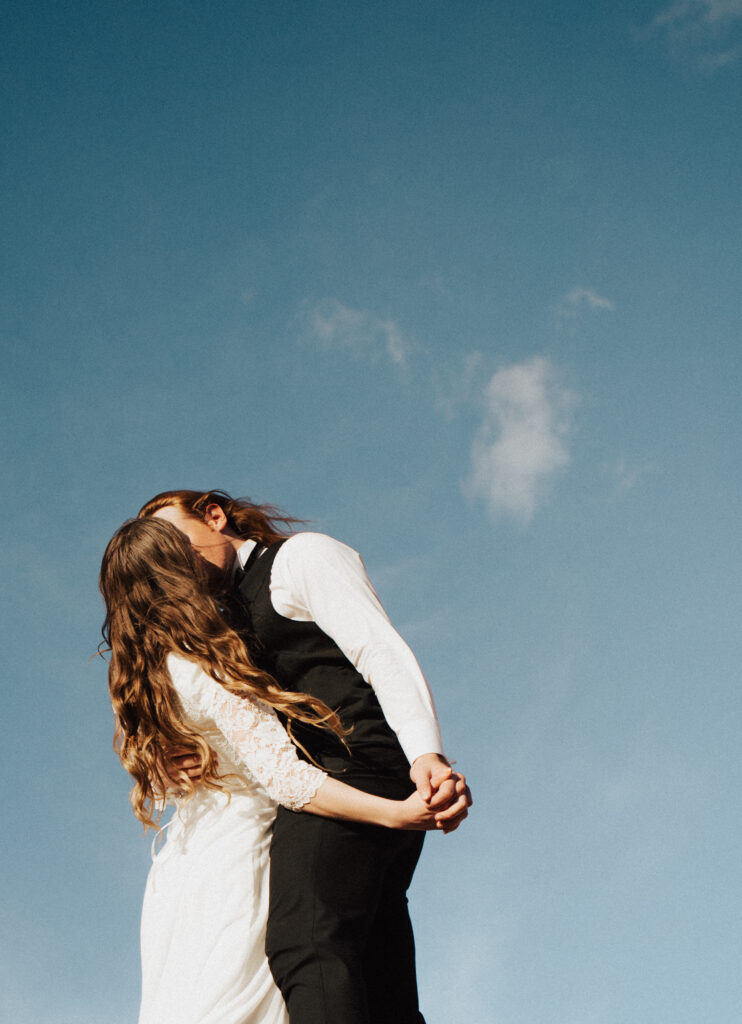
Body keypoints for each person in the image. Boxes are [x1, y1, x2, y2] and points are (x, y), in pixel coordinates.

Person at [100, 517, 459, 1024]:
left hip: (199, 863)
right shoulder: (205, 660)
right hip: (247, 849)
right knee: (327, 960)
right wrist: (396, 814)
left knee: (327, 961)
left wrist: (423, 755)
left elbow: (376, 649)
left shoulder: (154, 671)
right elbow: (283, 776)